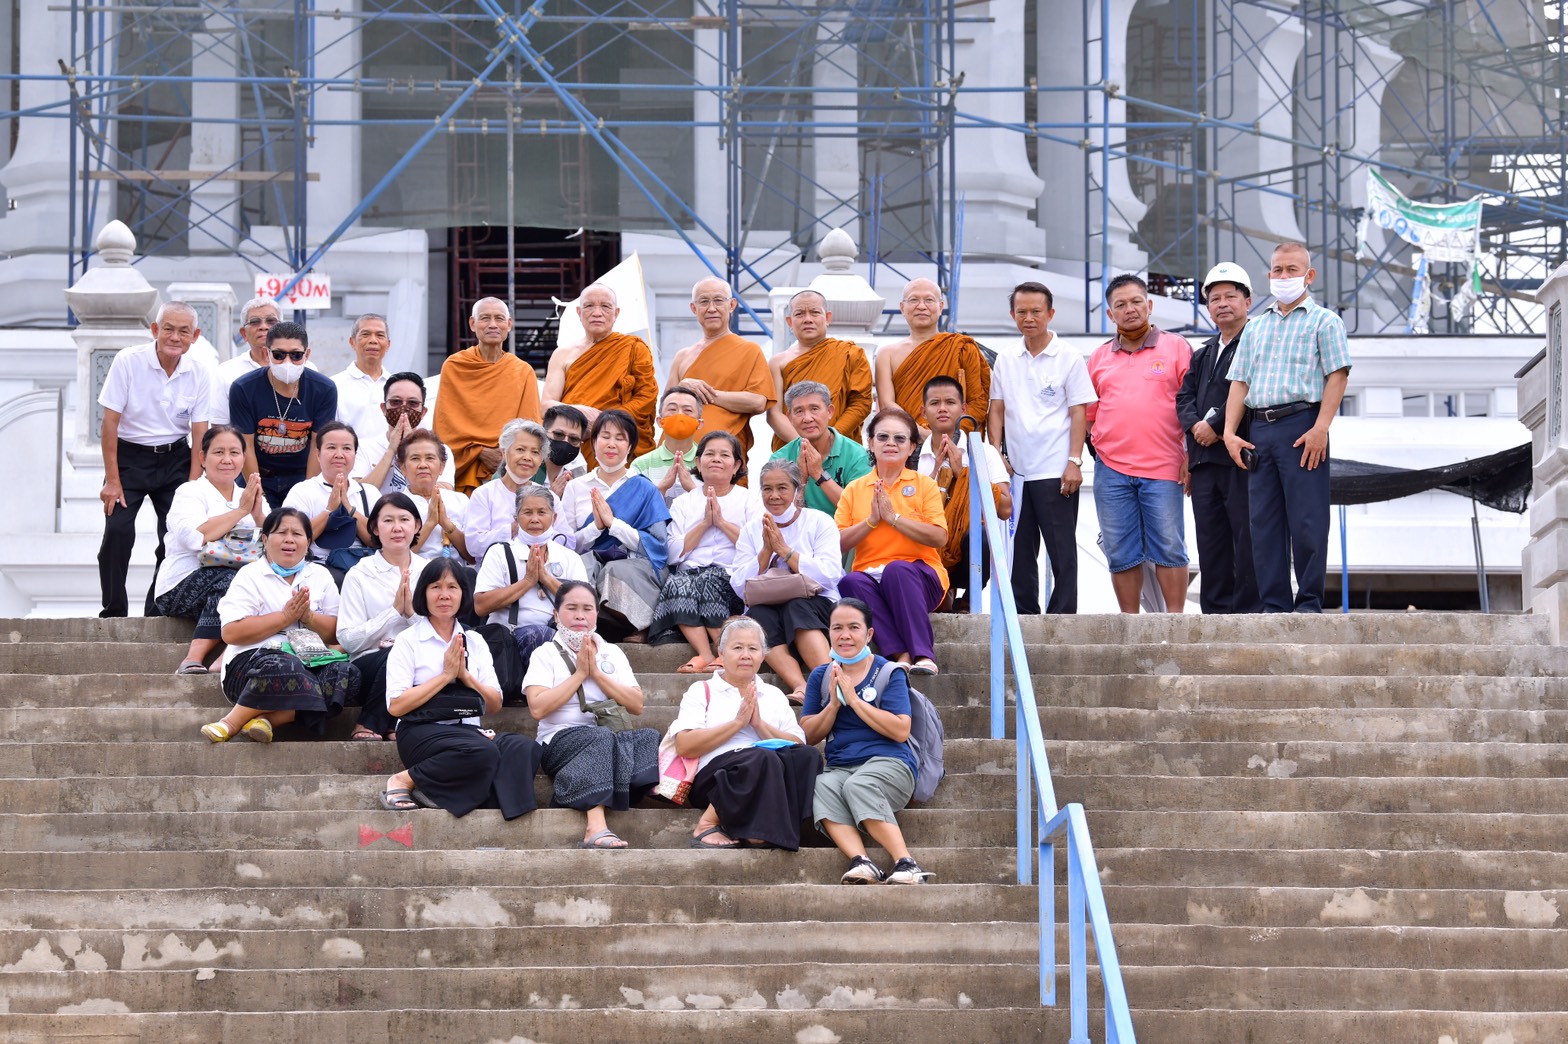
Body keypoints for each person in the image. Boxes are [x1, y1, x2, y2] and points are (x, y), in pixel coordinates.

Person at [1222, 242, 1352, 614]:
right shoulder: (1255, 327)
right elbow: (1240, 382)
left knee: (1307, 519)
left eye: (1292, 269)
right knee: (1263, 523)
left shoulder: (1325, 321)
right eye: (1278, 270)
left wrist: (1321, 428)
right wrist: (1230, 432)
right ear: (1269, 275)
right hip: (1260, 430)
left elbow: (1338, 375)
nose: (1283, 276)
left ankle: (1309, 602)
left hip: (1302, 426)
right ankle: (1274, 605)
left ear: (1309, 276)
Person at [377, 558, 542, 817]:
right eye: (436, 587)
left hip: (470, 734)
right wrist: (445, 676)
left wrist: (465, 676)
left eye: (452, 587)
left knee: (523, 747)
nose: (444, 595)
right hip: (421, 732)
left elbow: (495, 704)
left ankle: (468, 799)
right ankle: (404, 779)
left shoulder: (475, 641)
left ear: (463, 594)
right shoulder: (408, 640)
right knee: (483, 751)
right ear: (423, 594)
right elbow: (396, 706)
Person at [802, 599, 933, 885]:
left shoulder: (889, 671)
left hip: (890, 763)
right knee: (821, 784)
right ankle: (862, 862)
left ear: (869, 633)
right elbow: (808, 736)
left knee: (858, 784)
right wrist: (833, 705)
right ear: (828, 632)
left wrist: (855, 701)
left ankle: (906, 863)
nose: (845, 635)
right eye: (837, 628)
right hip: (841, 766)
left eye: (853, 627)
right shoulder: (821, 676)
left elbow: (901, 730)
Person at [523, 580, 661, 848]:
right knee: (600, 737)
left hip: (607, 737)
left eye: (587, 609)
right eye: (571, 608)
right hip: (558, 740)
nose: (580, 616)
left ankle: (582, 785)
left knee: (648, 737)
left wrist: (596, 674)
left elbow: (636, 705)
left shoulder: (612, 652)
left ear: (596, 614)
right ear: (556, 614)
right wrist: (579, 675)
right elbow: (537, 708)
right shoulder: (545, 653)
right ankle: (595, 827)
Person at [1085, 274, 1194, 614]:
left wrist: (1190, 455)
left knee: (1169, 547)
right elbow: (1088, 415)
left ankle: (1175, 623)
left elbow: (1192, 405)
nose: (1129, 309)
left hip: (1164, 467)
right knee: (1121, 550)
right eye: (1120, 304)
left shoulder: (1177, 348)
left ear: (1149, 305)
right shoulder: (1098, 357)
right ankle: (1130, 624)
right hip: (1111, 470)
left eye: (1136, 302)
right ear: (1110, 314)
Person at [204, 507, 359, 743]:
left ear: (308, 542)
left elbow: (337, 636)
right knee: (285, 664)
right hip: (253, 666)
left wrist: (309, 617)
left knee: (347, 674)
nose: (289, 539)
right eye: (281, 532)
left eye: (297, 534)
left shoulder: (320, 575)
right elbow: (231, 632)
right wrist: (285, 617)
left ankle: (268, 720)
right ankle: (230, 722)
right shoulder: (250, 574)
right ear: (265, 539)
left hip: (310, 660)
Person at [988, 280, 1097, 615]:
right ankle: (1024, 615)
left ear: (1050, 313)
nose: (1029, 318)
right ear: (1012, 315)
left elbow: (1079, 412)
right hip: (1017, 473)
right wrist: (997, 456)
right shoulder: (1006, 358)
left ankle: (1063, 617)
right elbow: (996, 410)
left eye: (1036, 311)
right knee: (1020, 550)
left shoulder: (1069, 357)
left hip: (1056, 469)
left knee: (1061, 549)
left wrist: (1074, 461)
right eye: (1022, 312)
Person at [97, 300, 211, 618]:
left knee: (174, 537)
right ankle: (113, 611)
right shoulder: (128, 361)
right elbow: (109, 423)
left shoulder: (199, 371)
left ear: (195, 336)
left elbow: (200, 432)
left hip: (176, 458)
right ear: (155, 330)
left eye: (184, 331)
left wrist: (193, 484)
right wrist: (112, 480)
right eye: (168, 329)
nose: (175, 337)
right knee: (118, 531)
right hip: (129, 458)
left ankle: (156, 611)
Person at [668, 618, 821, 849]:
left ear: (763, 655)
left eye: (753, 649)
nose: (746, 655)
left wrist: (759, 725)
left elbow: (798, 744)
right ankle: (707, 823)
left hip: (767, 774)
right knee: (761, 756)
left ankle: (765, 828)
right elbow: (685, 746)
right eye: (737, 647)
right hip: (714, 780)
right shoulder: (701, 690)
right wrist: (738, 723)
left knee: (808, 756)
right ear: (721, 652)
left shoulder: (773, 695)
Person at [835, 409, 948, 675]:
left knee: (897, 570)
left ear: (911, 448)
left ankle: (923, 655)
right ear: (871, 443)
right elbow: (836, 543)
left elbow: (939, 536)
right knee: (849, 581)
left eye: (899, 438)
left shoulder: (924, 485)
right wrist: (872, 521)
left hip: (919, 577)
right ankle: (900, 654)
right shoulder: (854, 489)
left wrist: (894, 518)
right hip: (871, 578)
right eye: (883, 437)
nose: (891, 443)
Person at [1177, 263, 1263, 614]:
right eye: (1215, 299)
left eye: (1230, 296)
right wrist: (1196, 426)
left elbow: (1249, 389)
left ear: (1248, 301)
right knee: (1211, 541)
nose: (1222, 304)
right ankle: (1214, 614)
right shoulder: (1203, 353)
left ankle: (1248, 613)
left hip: (1239, 460)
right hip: (1204, 462)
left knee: (1247, 537)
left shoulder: (1258, 344)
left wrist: (1214, 424)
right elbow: (1184, 397)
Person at [153, 424, 268, 675]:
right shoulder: (189, 492)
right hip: (182, 583)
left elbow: (276, 547)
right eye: (219, 452)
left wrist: (258, 515)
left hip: (238, 583)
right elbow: (195, 537)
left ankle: (226, 657)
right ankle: (192, 658)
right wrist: (241, 511)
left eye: (234, 453)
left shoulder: (249, 495)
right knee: (233, 581)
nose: (227, 459)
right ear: (202, 458)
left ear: (244, 458)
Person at [649, 431, 762, 672]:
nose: (716, 459)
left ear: (736, 465)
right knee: (677, 582)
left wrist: (720, 522)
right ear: (699, 463)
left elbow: (757, 546)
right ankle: (704, 653)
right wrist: (703, 524)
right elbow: (672, 553)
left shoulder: (749, 500)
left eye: (724, 455)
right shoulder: (684, 502)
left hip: (732, 577)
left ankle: (723, 651)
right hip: (690, 574)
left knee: (708, 580)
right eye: (710, 454)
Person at [732, 459, 843, 703]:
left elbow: (830, 574)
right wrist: (765, 552)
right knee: (756, 616)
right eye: (767, 489)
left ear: (797, 490)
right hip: (769, 607)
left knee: (796, 606)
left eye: (782, 488)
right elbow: (740, 586)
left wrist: (785, 551)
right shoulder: (751, 529)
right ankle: (800, 686)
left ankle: (830, 683)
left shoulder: (819, 521)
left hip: (815, 604)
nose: (774, 496)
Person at [558, 409, 672, 641]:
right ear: (594, 442)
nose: (611, 444)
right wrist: (597, 528)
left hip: (635, 564)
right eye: (605, 436)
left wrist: (614, 524)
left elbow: (658, 547)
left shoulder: (646, 488)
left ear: (630, 447)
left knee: (615, 570)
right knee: (580, 569)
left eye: (620, 438)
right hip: (589, 561)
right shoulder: (576, 487)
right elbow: (567, 545)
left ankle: (639, 626)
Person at [337, 492, 429, 741]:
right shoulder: (359, 574)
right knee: (397, 653)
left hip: (420, 667)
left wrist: (411, 614)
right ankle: (371, 723)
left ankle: (393, 723)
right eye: (388, 521)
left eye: (404, 519)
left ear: (416, 525)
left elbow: (441, 632)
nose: (397, 528)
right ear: (375, 529)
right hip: (368, 665)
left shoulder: (430, 571)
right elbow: (347, 640)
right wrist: (393, 613)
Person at [432, 297, 543, 494]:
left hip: (508, 467)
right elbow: (445, 426)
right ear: (472, 324)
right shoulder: (455, 366)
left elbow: (530, 426)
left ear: (509, 324)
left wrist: (506, 454)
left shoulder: (522, 371)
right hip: (466, 467)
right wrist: (479, 452)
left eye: (499, 318)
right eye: (485, 318)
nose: (493, 324)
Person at [920, 375, 1012, 611]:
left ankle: (970, 598)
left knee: (981, 535)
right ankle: (940, 597)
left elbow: (1005, 509)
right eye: (935, 403)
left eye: (950, 402)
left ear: (963, 409)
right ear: (923, 411)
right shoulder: (912, 455)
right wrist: (935, 473)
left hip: (966, 551)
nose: (942, 409)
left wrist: (963, 473)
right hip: (927, 547)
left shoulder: (983, 452)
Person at [542, 283, 658, 468]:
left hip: (617, 441)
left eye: (605, 306)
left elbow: (646, 398)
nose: (597, 313)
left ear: (616, 313)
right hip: (575, 443)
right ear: (579, 312)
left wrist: (606, 421)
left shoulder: (634, 348)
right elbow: (546, 405)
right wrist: (578, 412)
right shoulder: (562, 354)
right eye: (589, 306)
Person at [229, 320, 339, 511]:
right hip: (257, 474)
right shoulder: (243, 388)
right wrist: (258, 495)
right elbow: (245, 445)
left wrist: (308, 493)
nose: (287, 362)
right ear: (267, 354)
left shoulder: (324, 389)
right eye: (279, 355)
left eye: (296, 355)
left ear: (307, 355)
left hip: (301, 475)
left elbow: (318, 444)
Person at [474, 484, 587, 668]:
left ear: (554, 517)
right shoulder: (499, 553)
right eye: (527, 512)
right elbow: (481, 606)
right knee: (540, 636)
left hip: (561, 635)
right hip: (511, 638)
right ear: (516, 518)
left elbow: (585, 606)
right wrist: (527, 581)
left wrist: (546, 579)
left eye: (542, 512)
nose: (535, 519)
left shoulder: (570, 558)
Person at [666, 277, 775, 460]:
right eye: (704, 302)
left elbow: (758, 402)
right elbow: (666, 406)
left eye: (718, 300)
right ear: (694, 308)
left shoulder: (749, 350)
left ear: (731, 305)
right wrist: (683, 386)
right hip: (677, 453)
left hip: (723, 457)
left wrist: (705, 393)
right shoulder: (682, 356)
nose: (711, 308)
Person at [874, 278, 991, 441]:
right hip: (908, 441)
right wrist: (921, 433)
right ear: (902, 308)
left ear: (941, 307)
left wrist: (953, 437)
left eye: (929, 300)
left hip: (956, 440)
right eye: (913, 300)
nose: (921, 306)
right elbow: (887, 404)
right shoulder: (887, 354)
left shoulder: (962, 348)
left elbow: (977, 402)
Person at [766, 290, 874, 450]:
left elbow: (861, 403)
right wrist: (802, 445)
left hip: (841, 447)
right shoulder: (778, 362)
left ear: (827, 317)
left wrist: (831, 439)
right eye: (799, 314)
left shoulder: (850, 353)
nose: (807, 319)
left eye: (815, 312)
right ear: (790, 322)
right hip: (793, 448)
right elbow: (774, 414)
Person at [282, 421, 374, 577]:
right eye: (331, 447)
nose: (339, 454)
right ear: (318, 454)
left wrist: (349, 508)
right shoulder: (302, 491)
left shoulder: (369, 492)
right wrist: (329, 510)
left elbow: (380, 541)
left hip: (363, 569)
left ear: (355, 454)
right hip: (314, 569)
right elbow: (290, 540)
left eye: (347, 448)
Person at [769, 380, 872, 516]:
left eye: (814, 409)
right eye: (799, 411)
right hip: (799, 528)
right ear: (790, 418)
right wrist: (801, 478)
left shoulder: (857, 455)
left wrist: (819, 474)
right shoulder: (780, 459)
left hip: (844, 528)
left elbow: (859, 510)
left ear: (830, 411)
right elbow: (779, 513)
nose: (807, 418)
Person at [352, 372, 457, 495]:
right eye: (396, 402)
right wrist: (391, 451)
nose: (404, 408)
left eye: (412, 403)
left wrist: (411, 448)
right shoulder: (363, 448)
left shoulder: (439, 449)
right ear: (384, 409)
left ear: (423, 412)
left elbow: (446, 492)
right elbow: (357, 495)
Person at [464, 419, 552, 565]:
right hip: (495, 573)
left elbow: (567, 541)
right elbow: (474, 545)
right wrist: (513, 529)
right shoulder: (484, 494)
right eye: (520, 449)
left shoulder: (549, 497)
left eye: (535, 452)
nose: (527, 457)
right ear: (504, 452)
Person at [209, 297, 286, 426]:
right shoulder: (225, 372)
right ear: (244, 333)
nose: (263, 327)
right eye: (254, 322)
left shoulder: (303, 369)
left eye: (271, 321)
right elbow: (219, 426)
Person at [398, 430, 472, 562]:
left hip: (456, 572)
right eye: (415, 458)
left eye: (430, 458)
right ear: (403, 468)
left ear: (442, 467)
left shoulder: (460, 500)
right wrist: (430, 523)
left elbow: (472, 557)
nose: (423, 465)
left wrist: (447, 524)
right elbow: (397, 558)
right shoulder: (395, 504)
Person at [632, 384, 704, 506]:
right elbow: (635, 509)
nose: (679, 415)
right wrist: (662, 487)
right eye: (672, 409)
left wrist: (691, 487)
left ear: (700, 423)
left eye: (687, 410)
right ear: (660, 421)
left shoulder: (709, 463)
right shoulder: (641, 465)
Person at [331, 313, 391, 439]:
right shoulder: (334, 386)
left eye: (380, 335)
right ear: (352, 342)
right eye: (365, 334)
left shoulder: (396, 386)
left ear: (388, 345)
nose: (373, 340)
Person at [538, 404, 590, 498]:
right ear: (543, 434)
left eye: (573, 439)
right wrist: (551, 498)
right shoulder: (526, 468)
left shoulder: (578, 477)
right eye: (558, 434)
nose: (565, 442)